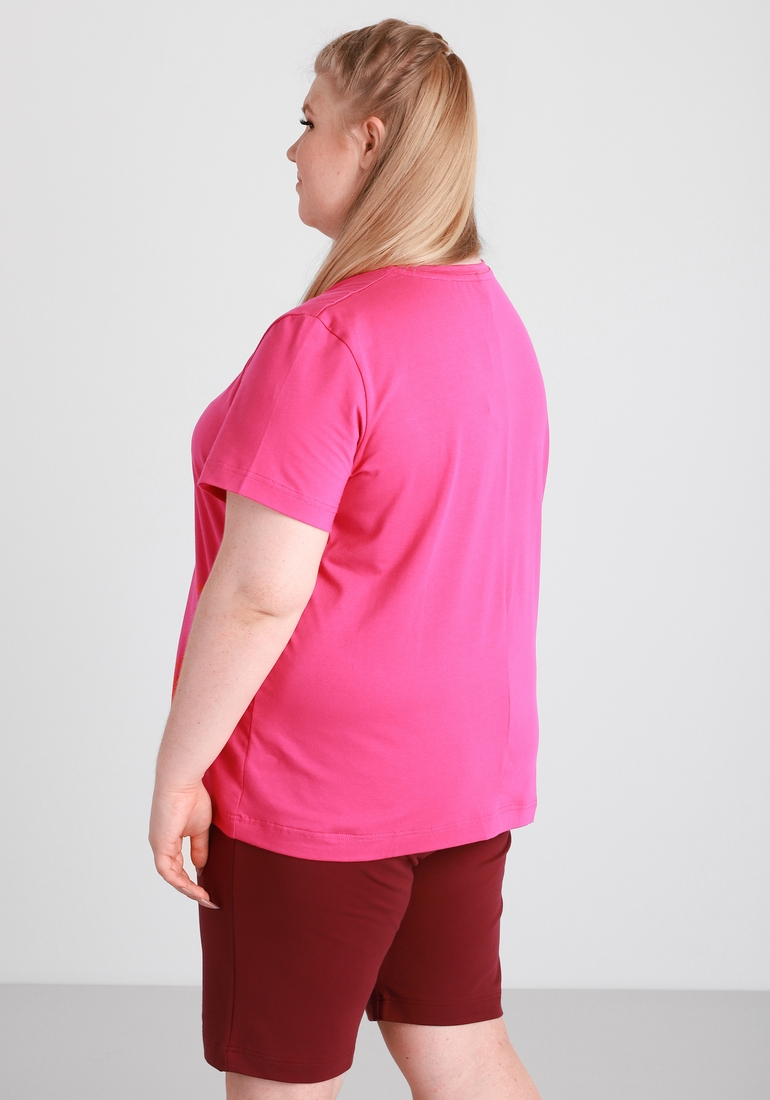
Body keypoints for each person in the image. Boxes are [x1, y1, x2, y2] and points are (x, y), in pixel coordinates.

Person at [149, 18, 548, 1100]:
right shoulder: (495, 325)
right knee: (462, 1048)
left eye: (308, 121)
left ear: (367, 140)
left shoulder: (325, 342)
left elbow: (258, 592)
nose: (292, 149)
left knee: (283, 1081)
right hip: (461, 775)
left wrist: (179, 771)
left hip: (314, 791)